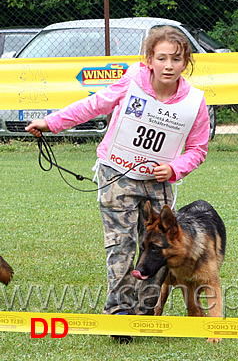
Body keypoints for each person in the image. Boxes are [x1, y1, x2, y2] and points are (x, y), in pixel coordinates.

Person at [25, 26, 210, 337]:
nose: (168, 65)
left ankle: (145, 311)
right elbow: (93, 105)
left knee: (155, 248)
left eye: (176, 59)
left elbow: (198, 148)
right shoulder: (131, 83)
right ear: (149, 60)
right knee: (120, 245)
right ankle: (119, 314)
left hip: (157, 185)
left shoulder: (194, 102)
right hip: (117, 176)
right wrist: (51, 123)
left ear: (185, 63)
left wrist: (175, 168)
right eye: (161, 58)